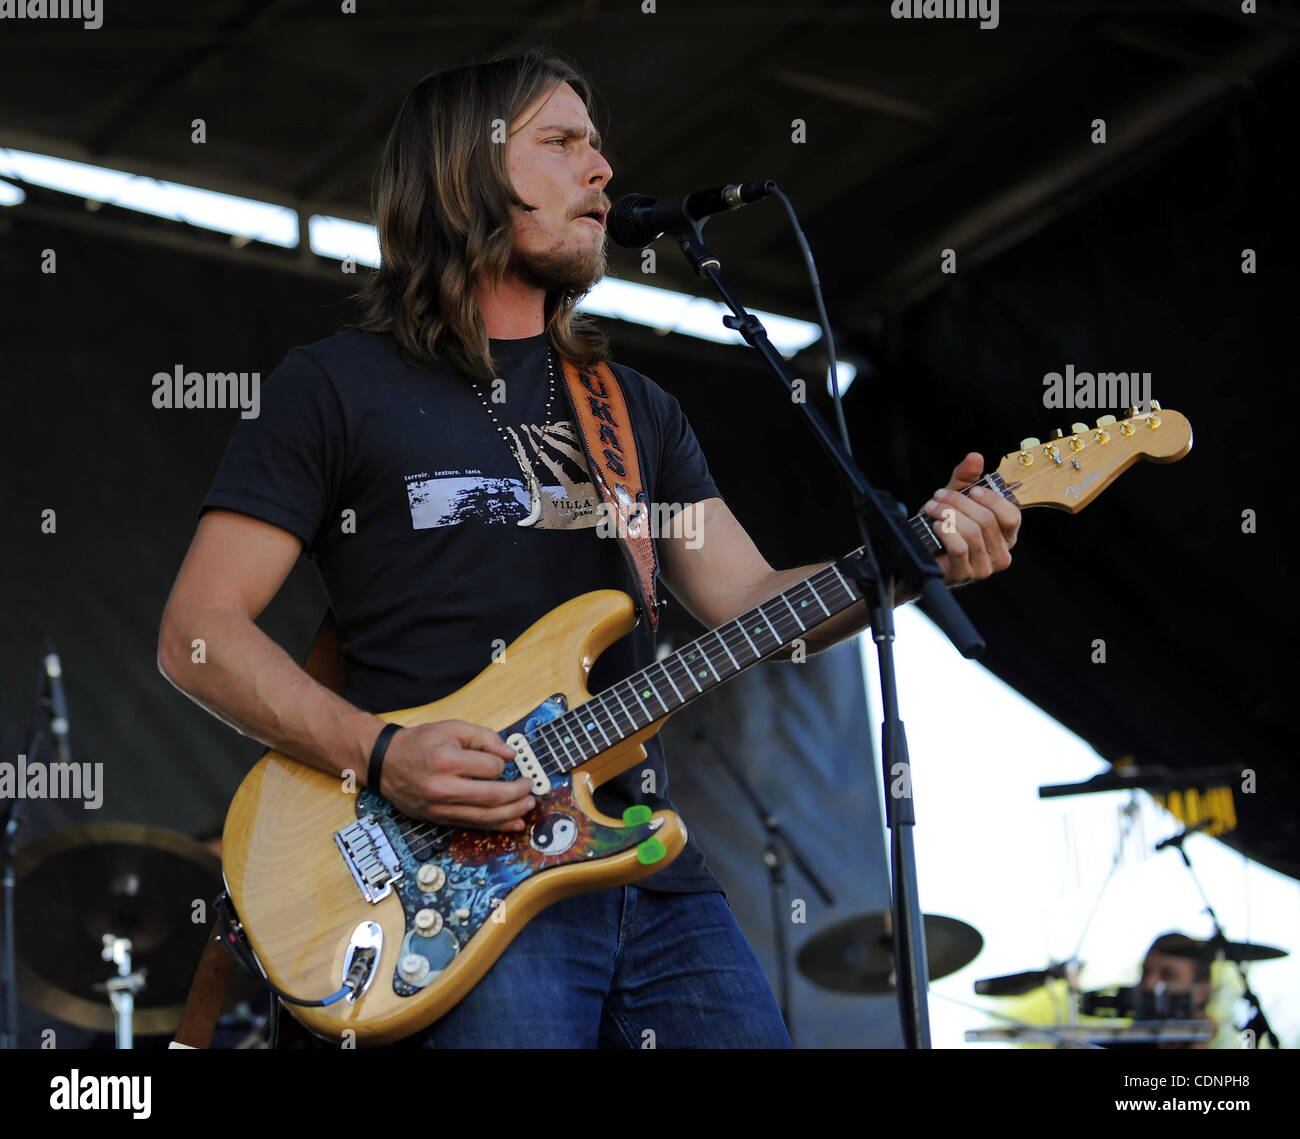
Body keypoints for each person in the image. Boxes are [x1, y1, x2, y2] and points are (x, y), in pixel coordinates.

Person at [157, 45, 1020, 1049]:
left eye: (598, 147)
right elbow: (198, 633)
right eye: (562, 143)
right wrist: (384, 752)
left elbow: (748, 601)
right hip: (446, 880)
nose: (602, 170)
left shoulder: (635, 412)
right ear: (464, 172)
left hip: (637, 864)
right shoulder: (334, 386)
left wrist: (913, 558)